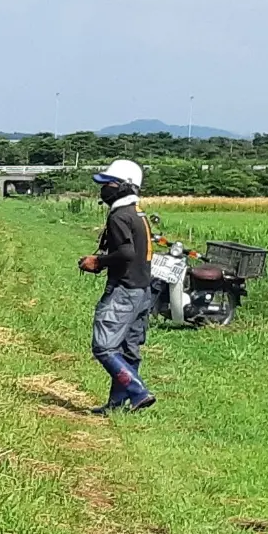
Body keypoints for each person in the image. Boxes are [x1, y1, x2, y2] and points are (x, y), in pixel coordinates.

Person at [79, 159, 157, 414]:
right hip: (143, 290)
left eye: (109, 183)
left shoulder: (119, 216)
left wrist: (98, 261)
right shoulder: (137, 213)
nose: (104, 189)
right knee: (128, 350)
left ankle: (138, 391)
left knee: (103, 347)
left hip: (124, 290)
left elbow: (125, 252)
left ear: (125, 186)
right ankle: (115, 406)